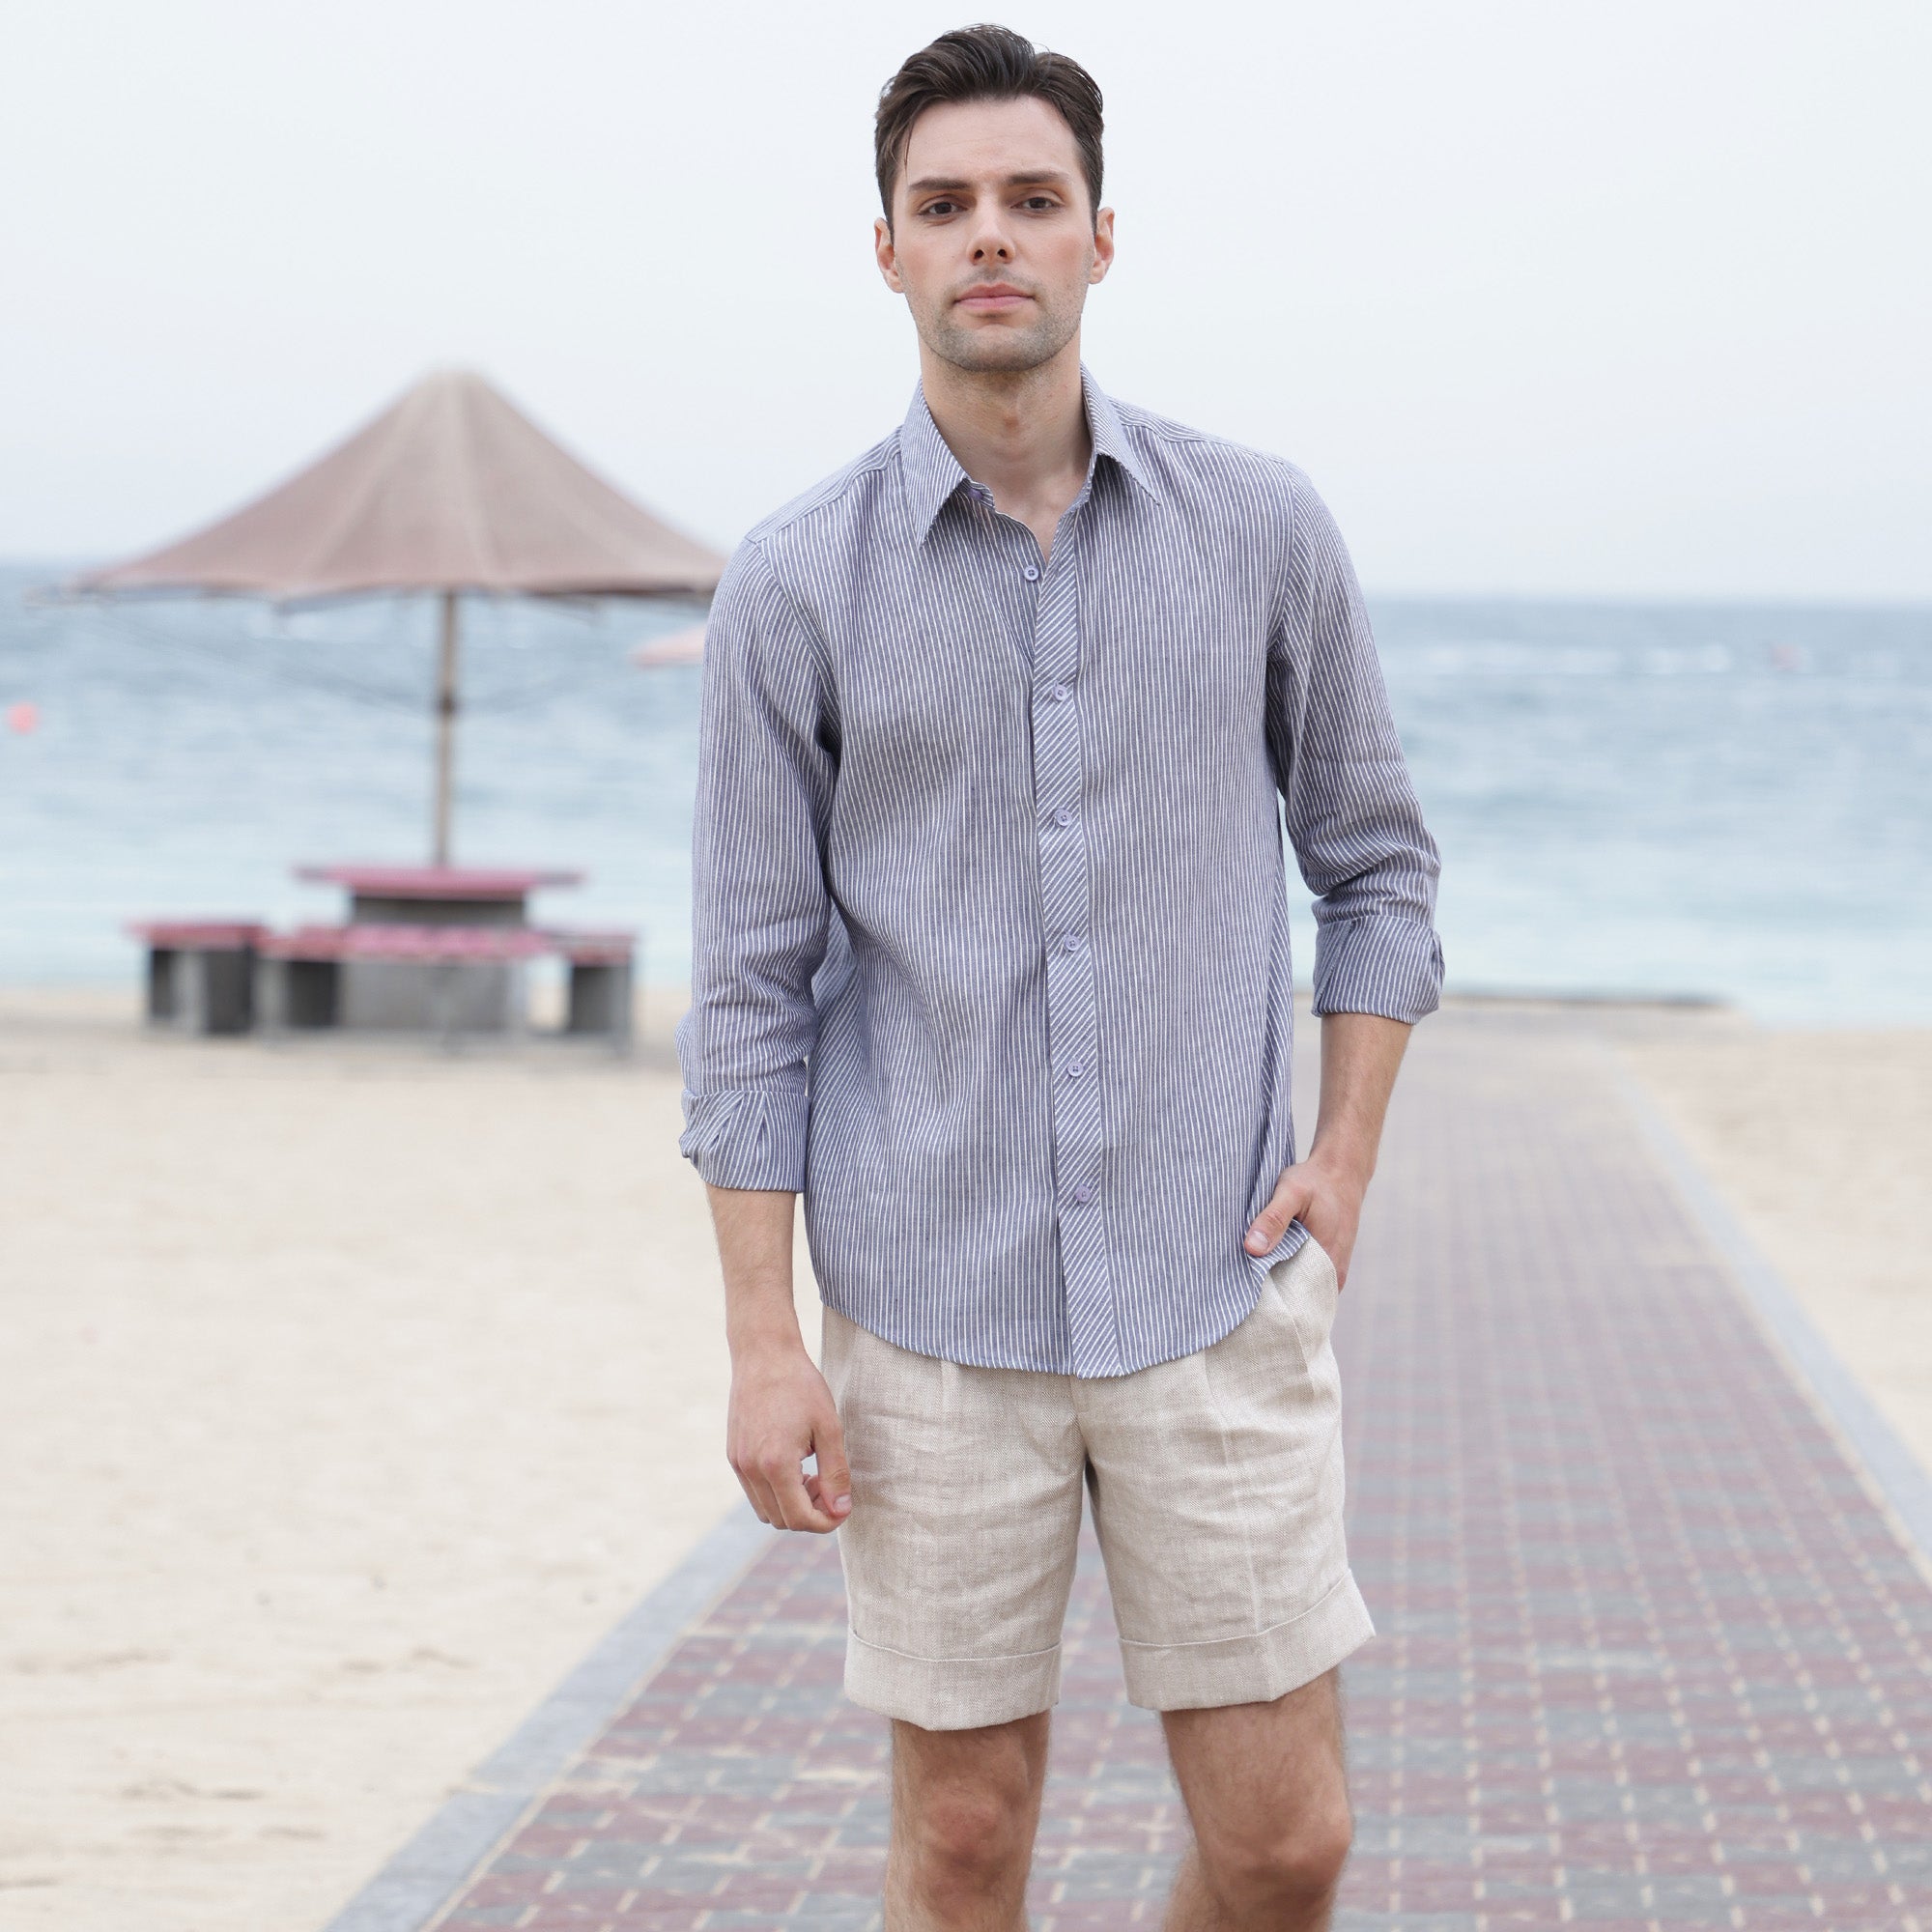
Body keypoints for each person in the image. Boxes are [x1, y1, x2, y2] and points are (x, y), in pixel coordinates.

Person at [675, 23, 1444, 1928]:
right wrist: (764, 1340)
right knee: (960, 1839)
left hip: (1216, 1292)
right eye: (944, 205)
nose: (990, 236)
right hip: (928, 1311)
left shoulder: (1260, 529)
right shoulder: (793, 584)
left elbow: (1375, 867)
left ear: (1104, 236)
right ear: (887, 251)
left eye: (1032, 199)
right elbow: (752, 987)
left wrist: (1344, 1157)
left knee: (1286, 1842)